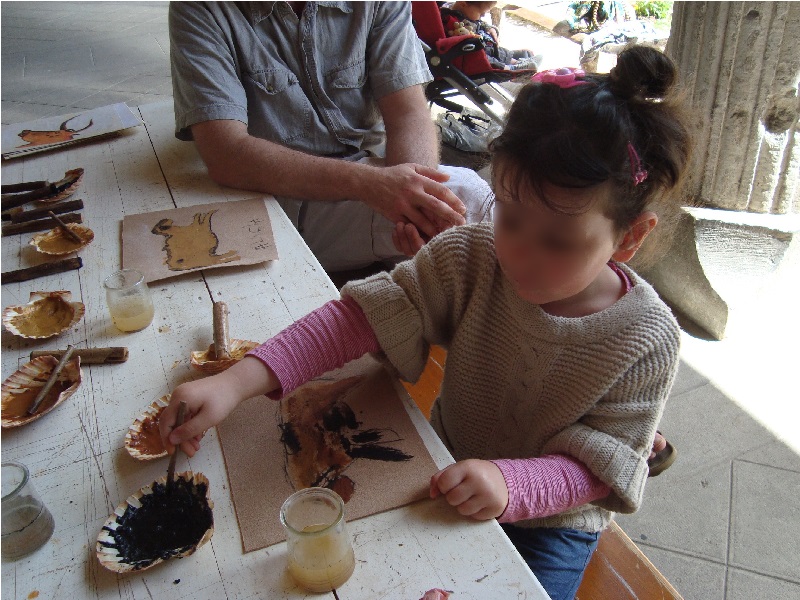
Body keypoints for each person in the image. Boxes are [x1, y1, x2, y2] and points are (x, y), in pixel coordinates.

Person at [160, 46, 691, 599]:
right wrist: (235, 380)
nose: (519, 253)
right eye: (508, 216)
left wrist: (511, 484)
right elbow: (354, 321)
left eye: (557, 241)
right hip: (444, 456)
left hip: (552, 521)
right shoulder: (472, 255)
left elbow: (604, 467)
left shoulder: (647, 340)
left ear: (629, 237)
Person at [168, 1, 494, 273]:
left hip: (366, 174)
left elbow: (408, 112)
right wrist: (369, 184)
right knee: (473, 202)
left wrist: (417, 205)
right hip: (274, 196)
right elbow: (227, 153)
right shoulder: (201, 9)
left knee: (464, 211)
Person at [440, 1, 541, 70]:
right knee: (487, 56)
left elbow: (481, 23)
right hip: (469, 51)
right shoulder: (450, 19)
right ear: (463, 4)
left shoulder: (466, 11)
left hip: (482, 43)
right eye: (481, 13)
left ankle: (520, 60)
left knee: (498, 50)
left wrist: (491, 29)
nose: (483, 16)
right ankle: (513, 66)